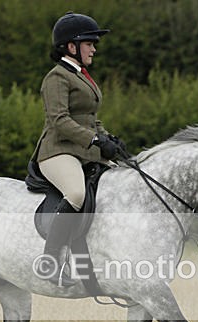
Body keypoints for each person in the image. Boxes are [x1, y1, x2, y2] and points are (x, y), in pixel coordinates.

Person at [31, 12, 126, 287]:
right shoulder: (56, 78)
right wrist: (95, 141)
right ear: (71, 46)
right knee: (75, 193)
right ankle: (49, 262)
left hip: (82, 151)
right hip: (57, 151)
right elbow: (60, 121)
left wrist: (109, 138)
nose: (94, 49)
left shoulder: (82, 76)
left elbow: (90, 118)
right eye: (89, 43)